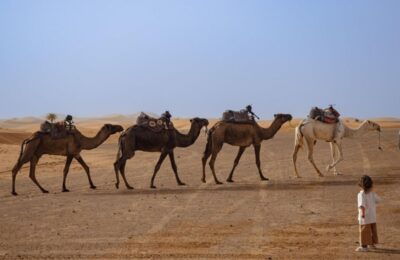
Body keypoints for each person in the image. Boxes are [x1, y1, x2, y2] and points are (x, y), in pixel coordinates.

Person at [356, 175, 381, 252]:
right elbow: (379, 200)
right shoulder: (372, 193)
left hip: (365, 217)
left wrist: (362, 214)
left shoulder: (361, 194)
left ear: (360, 185)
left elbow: (362, 206)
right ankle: (372, 244)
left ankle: (364, 247)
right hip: (372, 216)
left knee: (364, 231)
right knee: (372, 230)